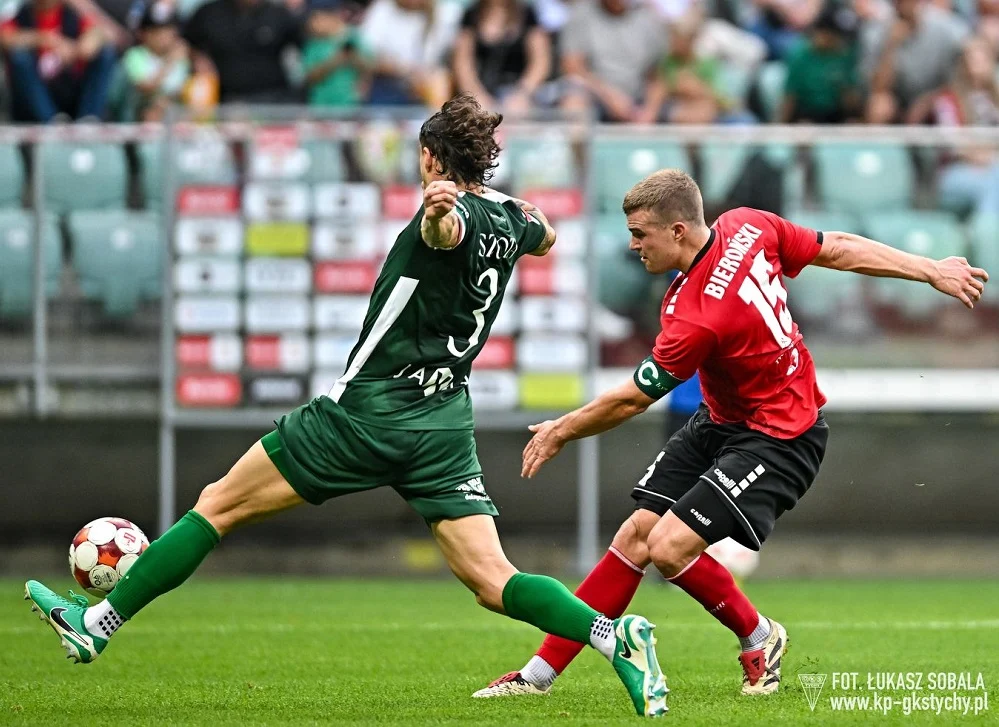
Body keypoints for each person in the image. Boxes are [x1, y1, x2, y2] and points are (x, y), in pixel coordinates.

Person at [23, 95, 668, 719]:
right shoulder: (511, 218)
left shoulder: (447, 215)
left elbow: (442, 232)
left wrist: (442, 210)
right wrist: (489, 203)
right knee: (492, 579)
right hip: (443, 423)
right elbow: (546, 234)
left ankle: (98, 624)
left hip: (366, 414)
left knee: (217, 505)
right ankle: (618, 638)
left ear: (427, 158)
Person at [472, 168, 988, 699]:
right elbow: (837, 247)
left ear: (677, 231)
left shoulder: (698, 315)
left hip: (781, 435)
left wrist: (562, 430)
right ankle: (537, 677)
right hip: (721, 422)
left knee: (669, 547)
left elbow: (632, 398)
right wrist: (928, 269)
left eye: (640, 233)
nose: (632, 245)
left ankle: (760, 636)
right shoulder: (746, 225)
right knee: (634, 537)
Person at [0, 0, 117, 122]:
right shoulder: (22, 16)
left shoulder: (72, 15)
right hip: (36, 101)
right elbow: (5, 37)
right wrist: (45, 39)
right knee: (19, 57)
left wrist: (79, 49)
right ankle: (51, 120)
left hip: (71, 94)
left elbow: (96, 33)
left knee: (105, 53)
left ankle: (88, 119)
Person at [558, 0, 665, 122]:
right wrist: (610, 97)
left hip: (638, 101)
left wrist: (650, 111)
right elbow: (573, 67)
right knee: (574, 105)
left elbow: (658, 75)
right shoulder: (581, 14)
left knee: (688, 114)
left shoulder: (648, 17)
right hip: (594, 97)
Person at [862, 0, 968, 123]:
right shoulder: (875, 31)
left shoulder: (944, 27)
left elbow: (957, 77)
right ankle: (878, 142)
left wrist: (926, 102)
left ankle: (960, 141)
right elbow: (878, 88)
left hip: (934, 98)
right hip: (897, 103)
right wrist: (891, 46)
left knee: (949, 102)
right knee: (879, 105)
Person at [183, 0, 303, 104]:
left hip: (272, 98)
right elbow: (185, 42)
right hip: (223, 99)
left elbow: (304, 44)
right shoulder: (208, 13)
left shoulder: (278, 14)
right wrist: (198, 58)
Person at [451, 0, 552, 116]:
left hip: (520, 92)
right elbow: (462, 63)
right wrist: (476, 96)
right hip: (481, 91)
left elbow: (540, 62)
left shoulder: (527, 14)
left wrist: (522, 94)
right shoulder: (471, 15)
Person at [780, 3, 862, 123]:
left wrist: (843, 87)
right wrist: (782, 126)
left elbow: (851, 103)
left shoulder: (845, 56)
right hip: (807, 114)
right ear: (822, 32)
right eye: (835, 35)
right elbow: (790, 97)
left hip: (836, 114)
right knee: (804, 129)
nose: (839, 40)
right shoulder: (801, 56)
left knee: (853, 125)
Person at [121, 0, 190, 122]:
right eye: (156, 31)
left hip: (174, 118)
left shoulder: (183, 57)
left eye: (167, 30)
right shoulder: (135, 55)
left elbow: (184, 93)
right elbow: (146, 88)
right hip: (138, 121)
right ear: (143, 33)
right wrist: (169, 62)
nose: (162, 37)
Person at [302, 0, 373, 108]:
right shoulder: (314, 43)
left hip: (350, 105)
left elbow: (369, 67)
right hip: (320, 105)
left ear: (331, 16)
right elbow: (309, 76)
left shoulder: (353, 36)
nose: (311, 23)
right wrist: (335, 60)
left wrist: (352, 56)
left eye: (316, 18)